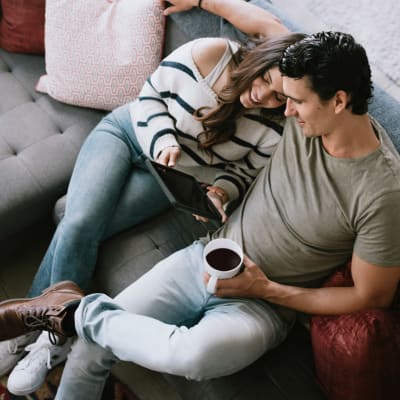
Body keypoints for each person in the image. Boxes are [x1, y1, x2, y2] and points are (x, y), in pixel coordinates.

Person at [1, 28, 400, 400]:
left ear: (340, 101)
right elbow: (266, 27)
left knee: (190, 355)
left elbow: (370, 294)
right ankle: (71, 320)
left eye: (295, 101)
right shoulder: (305, 110)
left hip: (262, 306)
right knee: (93, 344)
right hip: (205, 257)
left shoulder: (383, 193)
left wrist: (265, 290)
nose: (287, 112)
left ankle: (70, 311)